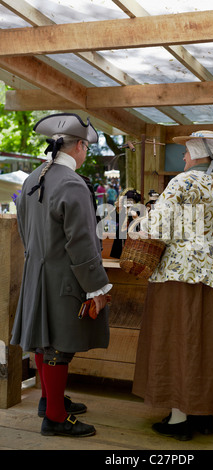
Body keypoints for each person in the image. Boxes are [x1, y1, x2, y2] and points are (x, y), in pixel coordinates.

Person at [132, 130, 213, 441]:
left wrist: (138, 223)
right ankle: (204, 415)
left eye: (186, 151)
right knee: (209, 340)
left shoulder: (182, 182)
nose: (183, 156)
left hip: (182, 271)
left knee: (180, 339)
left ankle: (179, 420)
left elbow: (158, 228)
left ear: (196, 151)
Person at [11, 113, 112, 438]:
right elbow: (82, 243)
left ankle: (47, 400)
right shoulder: (72, 183)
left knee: (43, 342)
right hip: (64, 279)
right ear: (80, 146)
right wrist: (97, 287)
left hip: (36, 273)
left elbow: (24, 231)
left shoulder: (32, 179)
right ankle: (54, 416)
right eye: (86, 147)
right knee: (58, 347)